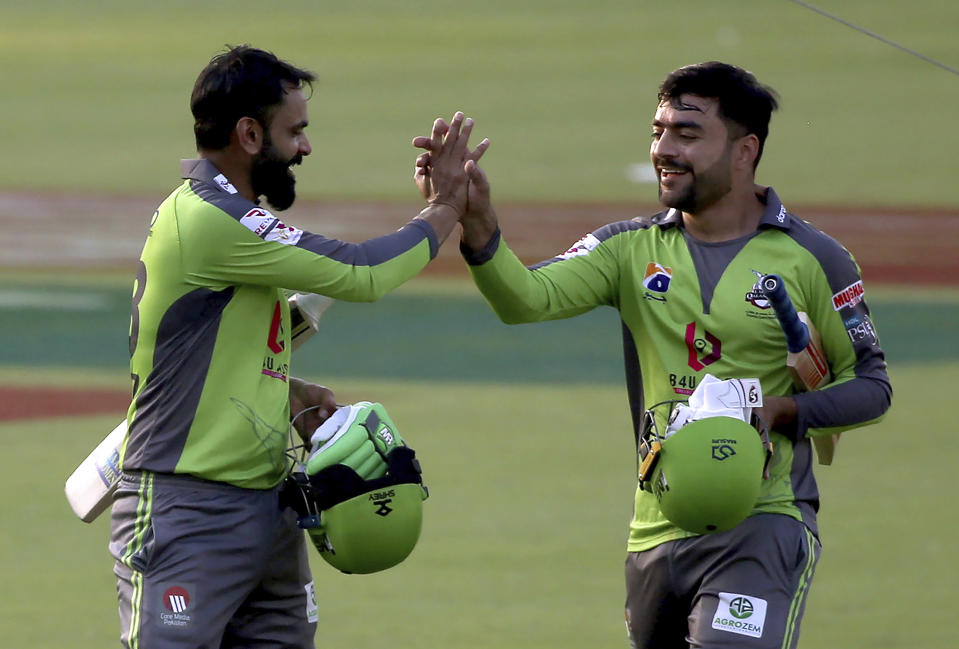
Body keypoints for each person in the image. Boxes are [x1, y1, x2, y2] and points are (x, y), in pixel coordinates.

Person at [414, 61, 891, 648]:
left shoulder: (815, 258)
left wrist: (777, 413)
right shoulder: (627, 248)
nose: (664, 149)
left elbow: (871, 388)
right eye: (658, 131)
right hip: (655, 531)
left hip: (763, 523)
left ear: (746, 151)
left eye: (687, 135)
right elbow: (526, 300)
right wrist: (479, 226)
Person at [111, 44, 483, 649]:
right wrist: (445, 208)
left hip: (268, 507)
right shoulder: (210, 219)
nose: (305, 148)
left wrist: (282, 392)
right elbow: (363, 273)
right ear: (250, 134)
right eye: (296, 131)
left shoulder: (228, 220)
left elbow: (232, 342)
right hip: (187, 511)